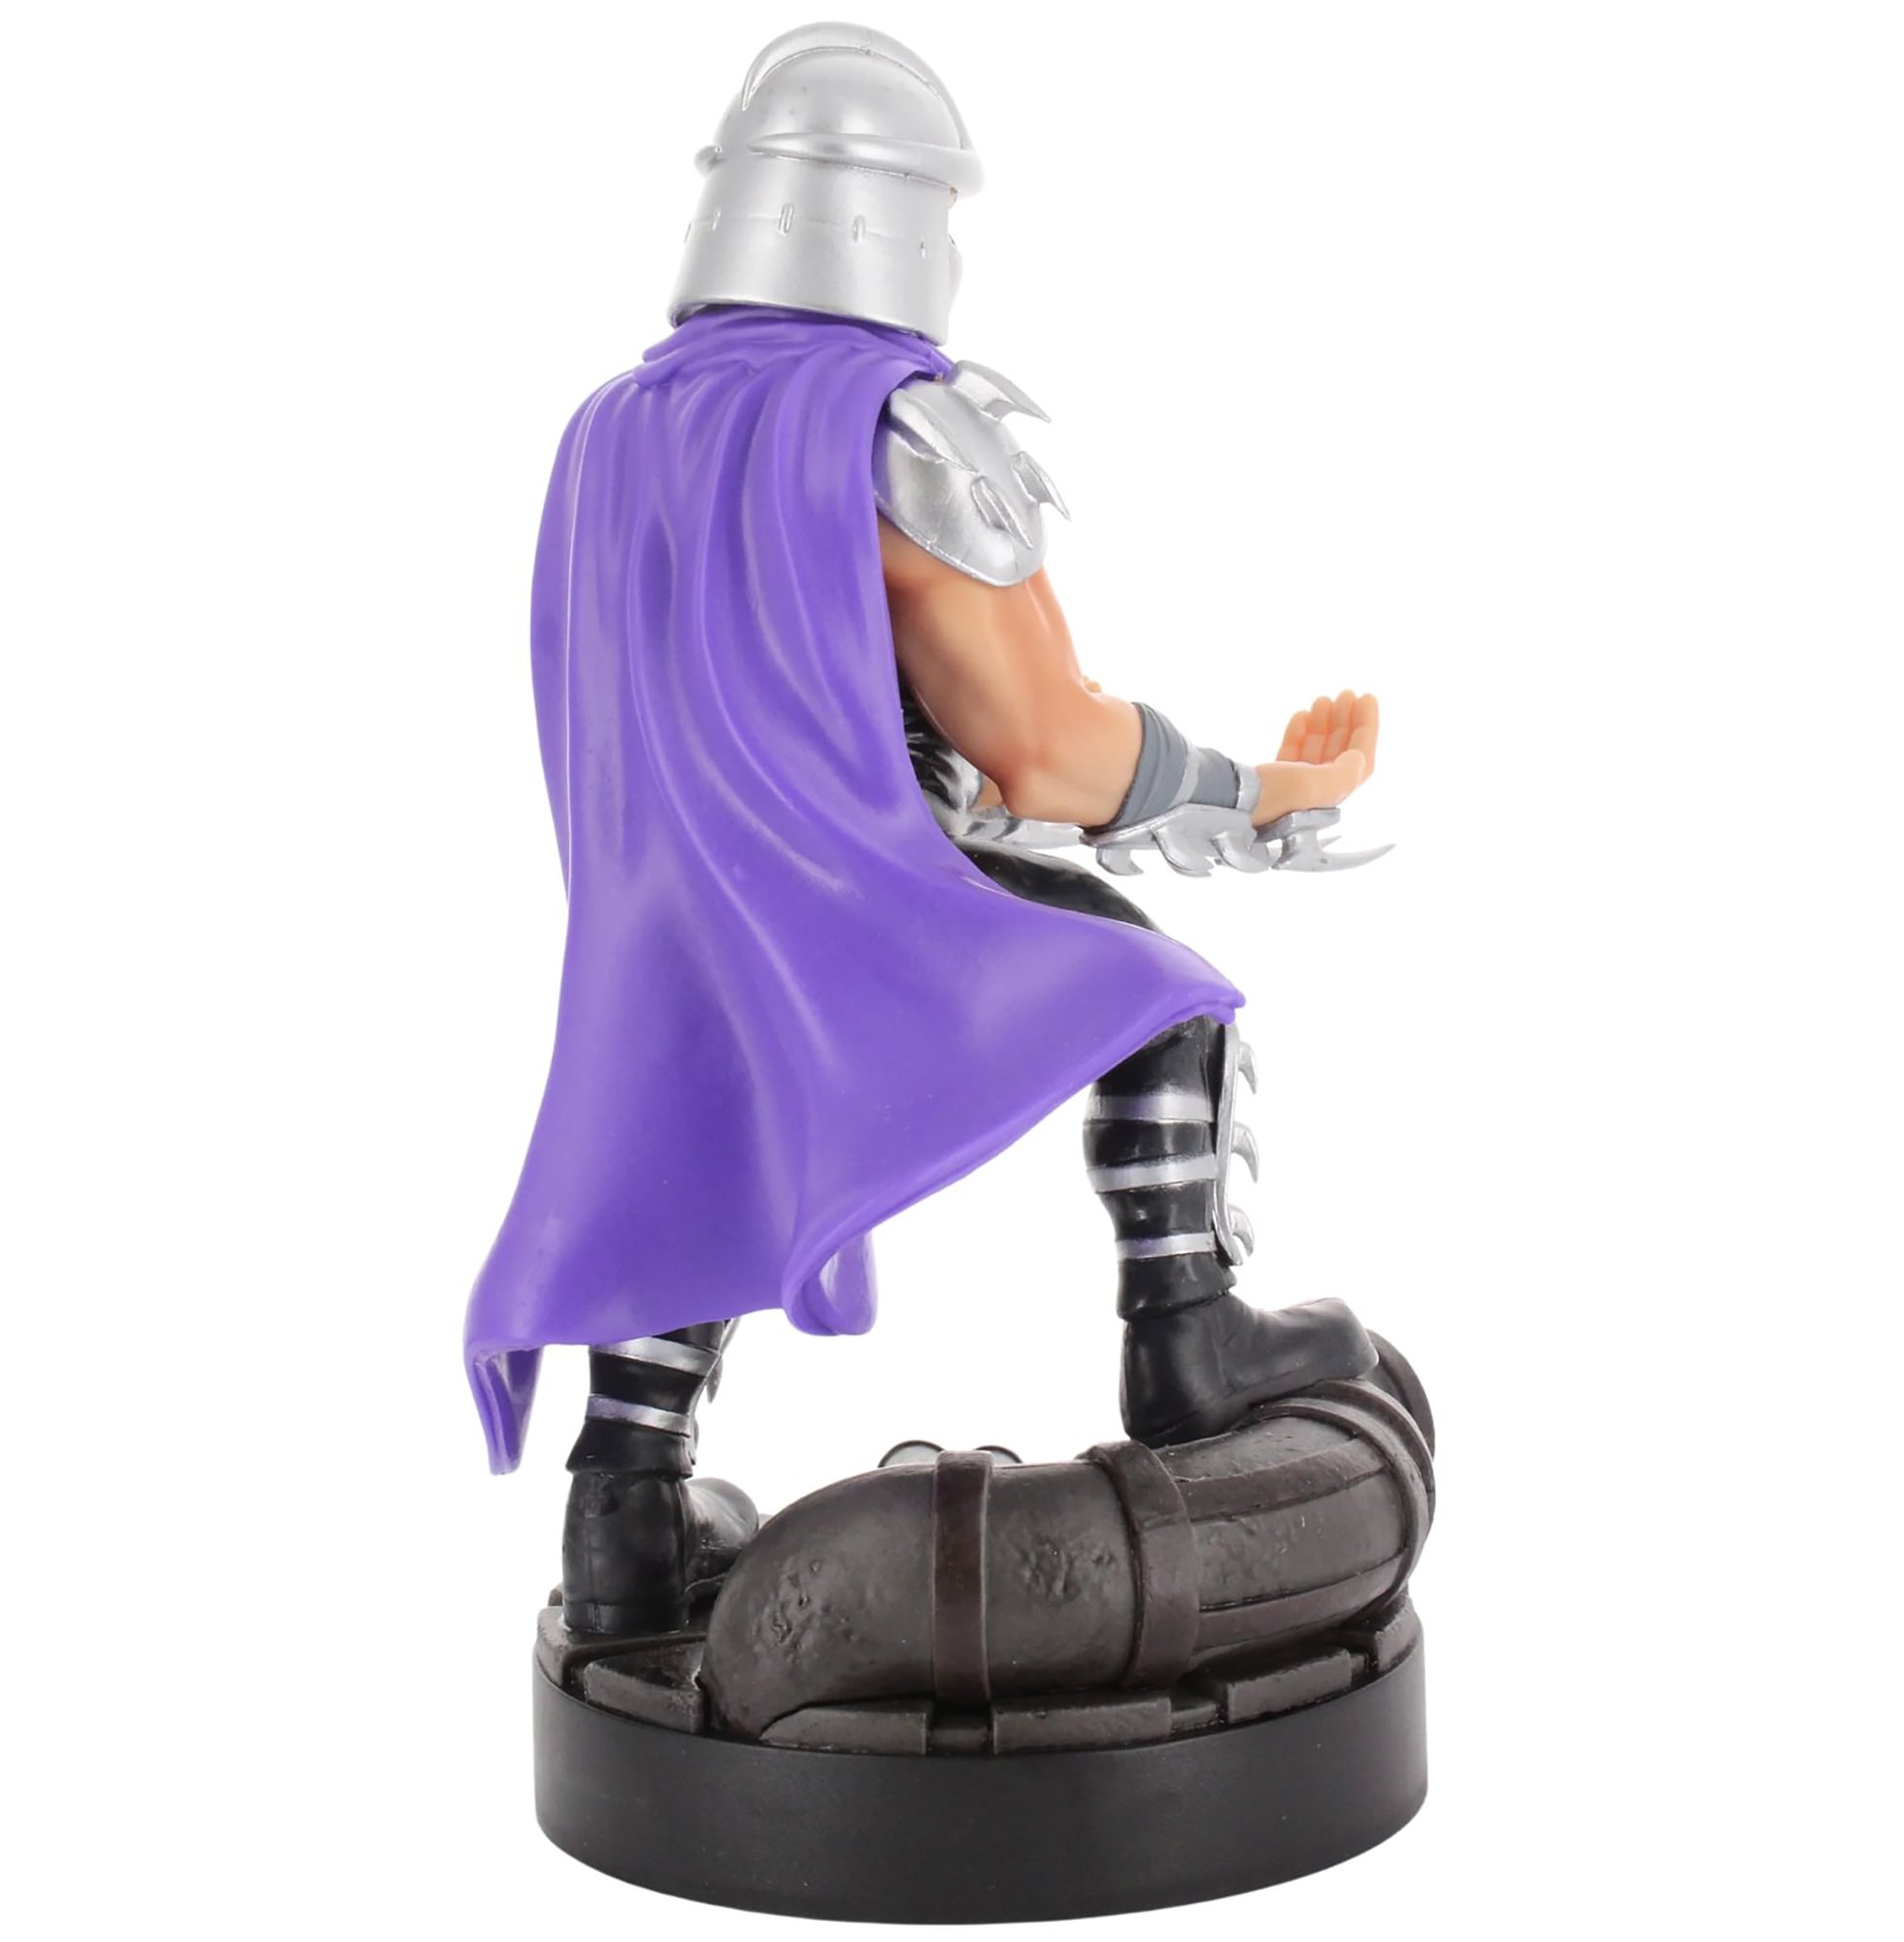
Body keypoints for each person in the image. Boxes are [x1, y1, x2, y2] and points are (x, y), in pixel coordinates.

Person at [467, 25, 1386, 1634]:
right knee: (1160, 997)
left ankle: (625, 1513)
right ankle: (1187, 1332)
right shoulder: (886, 426)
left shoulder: (612, 427)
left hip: (650, 917)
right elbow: (1044, 746)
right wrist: (1253, 792)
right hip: (851, 885)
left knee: (681, 1139)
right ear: (906, 215)